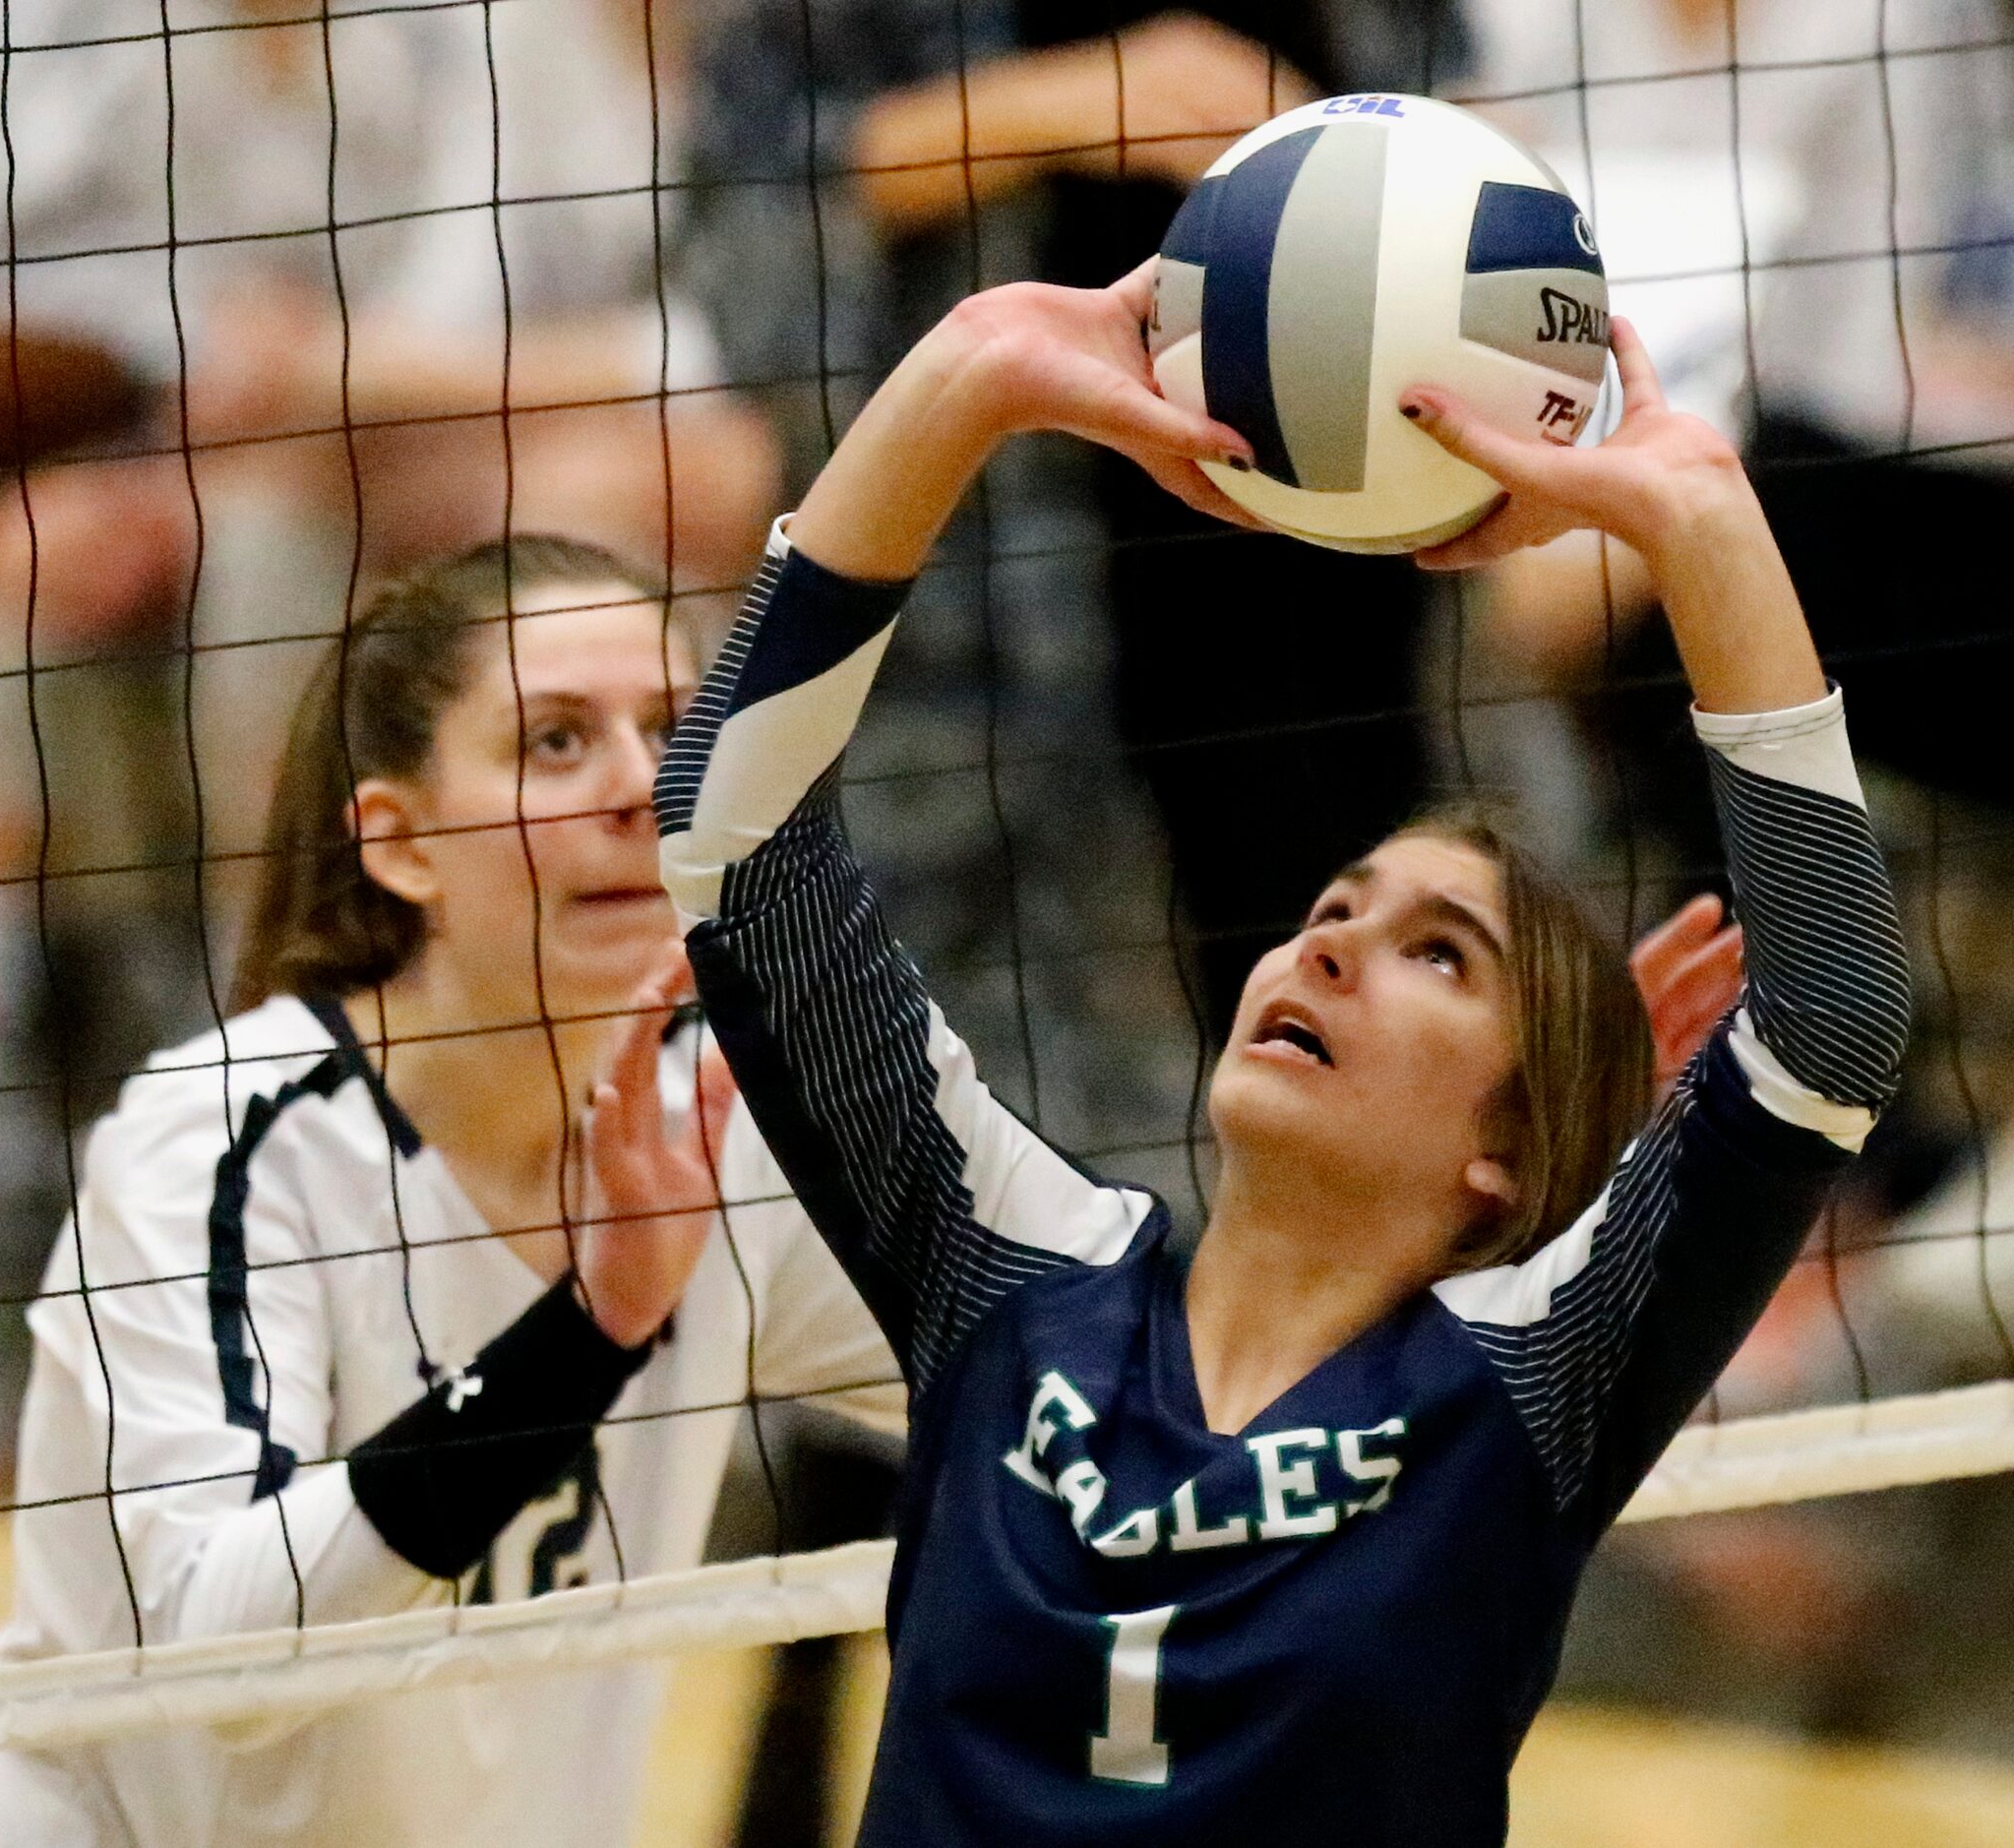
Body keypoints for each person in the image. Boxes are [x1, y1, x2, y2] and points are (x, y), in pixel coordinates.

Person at [653, 269, 1911, 1839]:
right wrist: (965, 373)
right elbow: (735, 835)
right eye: (1334, 907)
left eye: (1436, 952)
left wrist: (1706, 526)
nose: (1330, 947)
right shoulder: (1013, 1281)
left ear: (1503, 1153)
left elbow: (1834, 1018)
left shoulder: (1517, 1379)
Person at [0, 536, 897, 1848]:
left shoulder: (726, 1121)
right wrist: (582, 1335)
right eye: (555, 741)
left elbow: (1045, 1368)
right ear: (403, 844)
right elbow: (220, 1648)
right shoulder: (219, 1144)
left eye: (667, 727)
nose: (640, 787)